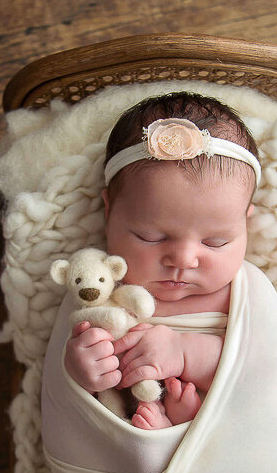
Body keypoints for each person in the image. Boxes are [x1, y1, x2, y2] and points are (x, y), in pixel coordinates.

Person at [63, 92, 261, 429]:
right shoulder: (101, 289)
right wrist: (82, 370)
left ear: (246, 222)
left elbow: (261, 377)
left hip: (224, 442)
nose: (183, 259)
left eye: (216, 242)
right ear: (109, 211)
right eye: (151, 237)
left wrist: (184, 352)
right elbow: (66, 403)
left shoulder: (245, 295)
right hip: (122, 445)